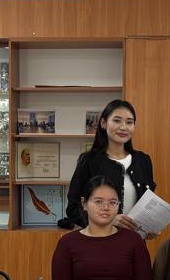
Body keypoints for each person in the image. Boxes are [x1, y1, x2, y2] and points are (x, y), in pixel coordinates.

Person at [52, 176, 151, 280]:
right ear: (84, 203)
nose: (106, 207)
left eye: (113, 202)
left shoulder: (133, 240)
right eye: (98, 201)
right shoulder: (67, 243)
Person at [64, 99, 156, 232]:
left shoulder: (143, 160)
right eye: (117, 120)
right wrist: (109, 220)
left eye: (129, 122)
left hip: (135, 240)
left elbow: (148, 205)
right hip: (100, 239)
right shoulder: (89, 161)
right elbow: (73, 209)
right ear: (103, 123)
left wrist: (150, 227)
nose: (123, 127)